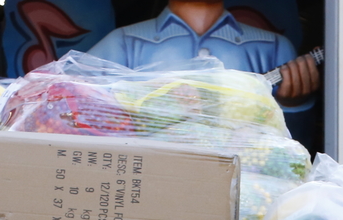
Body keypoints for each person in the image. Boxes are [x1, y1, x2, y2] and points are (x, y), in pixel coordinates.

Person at [86, 2, 320, 136]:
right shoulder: (124, 43)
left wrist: (294, 105)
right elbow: (74, 111)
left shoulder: (272, 48)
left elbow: (292, 150)